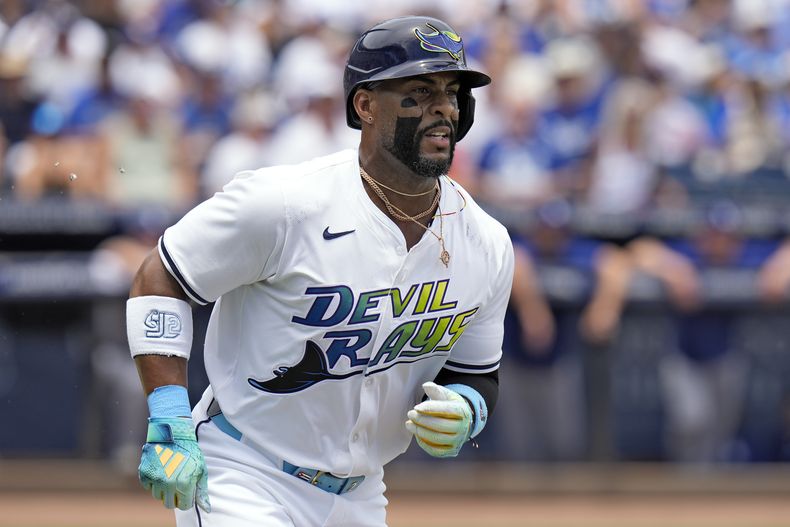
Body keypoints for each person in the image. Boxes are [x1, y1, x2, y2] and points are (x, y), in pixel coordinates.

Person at [126, 16, 514, 527]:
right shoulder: (286, 203)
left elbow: (474, 373)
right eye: (419, 91)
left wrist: (465, 410)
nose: (443, 107)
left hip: (360, 493)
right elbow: (162, 276)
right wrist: (170, 415)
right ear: (365, 104)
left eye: (453, 91)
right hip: (246, 469)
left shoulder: (486, 243)